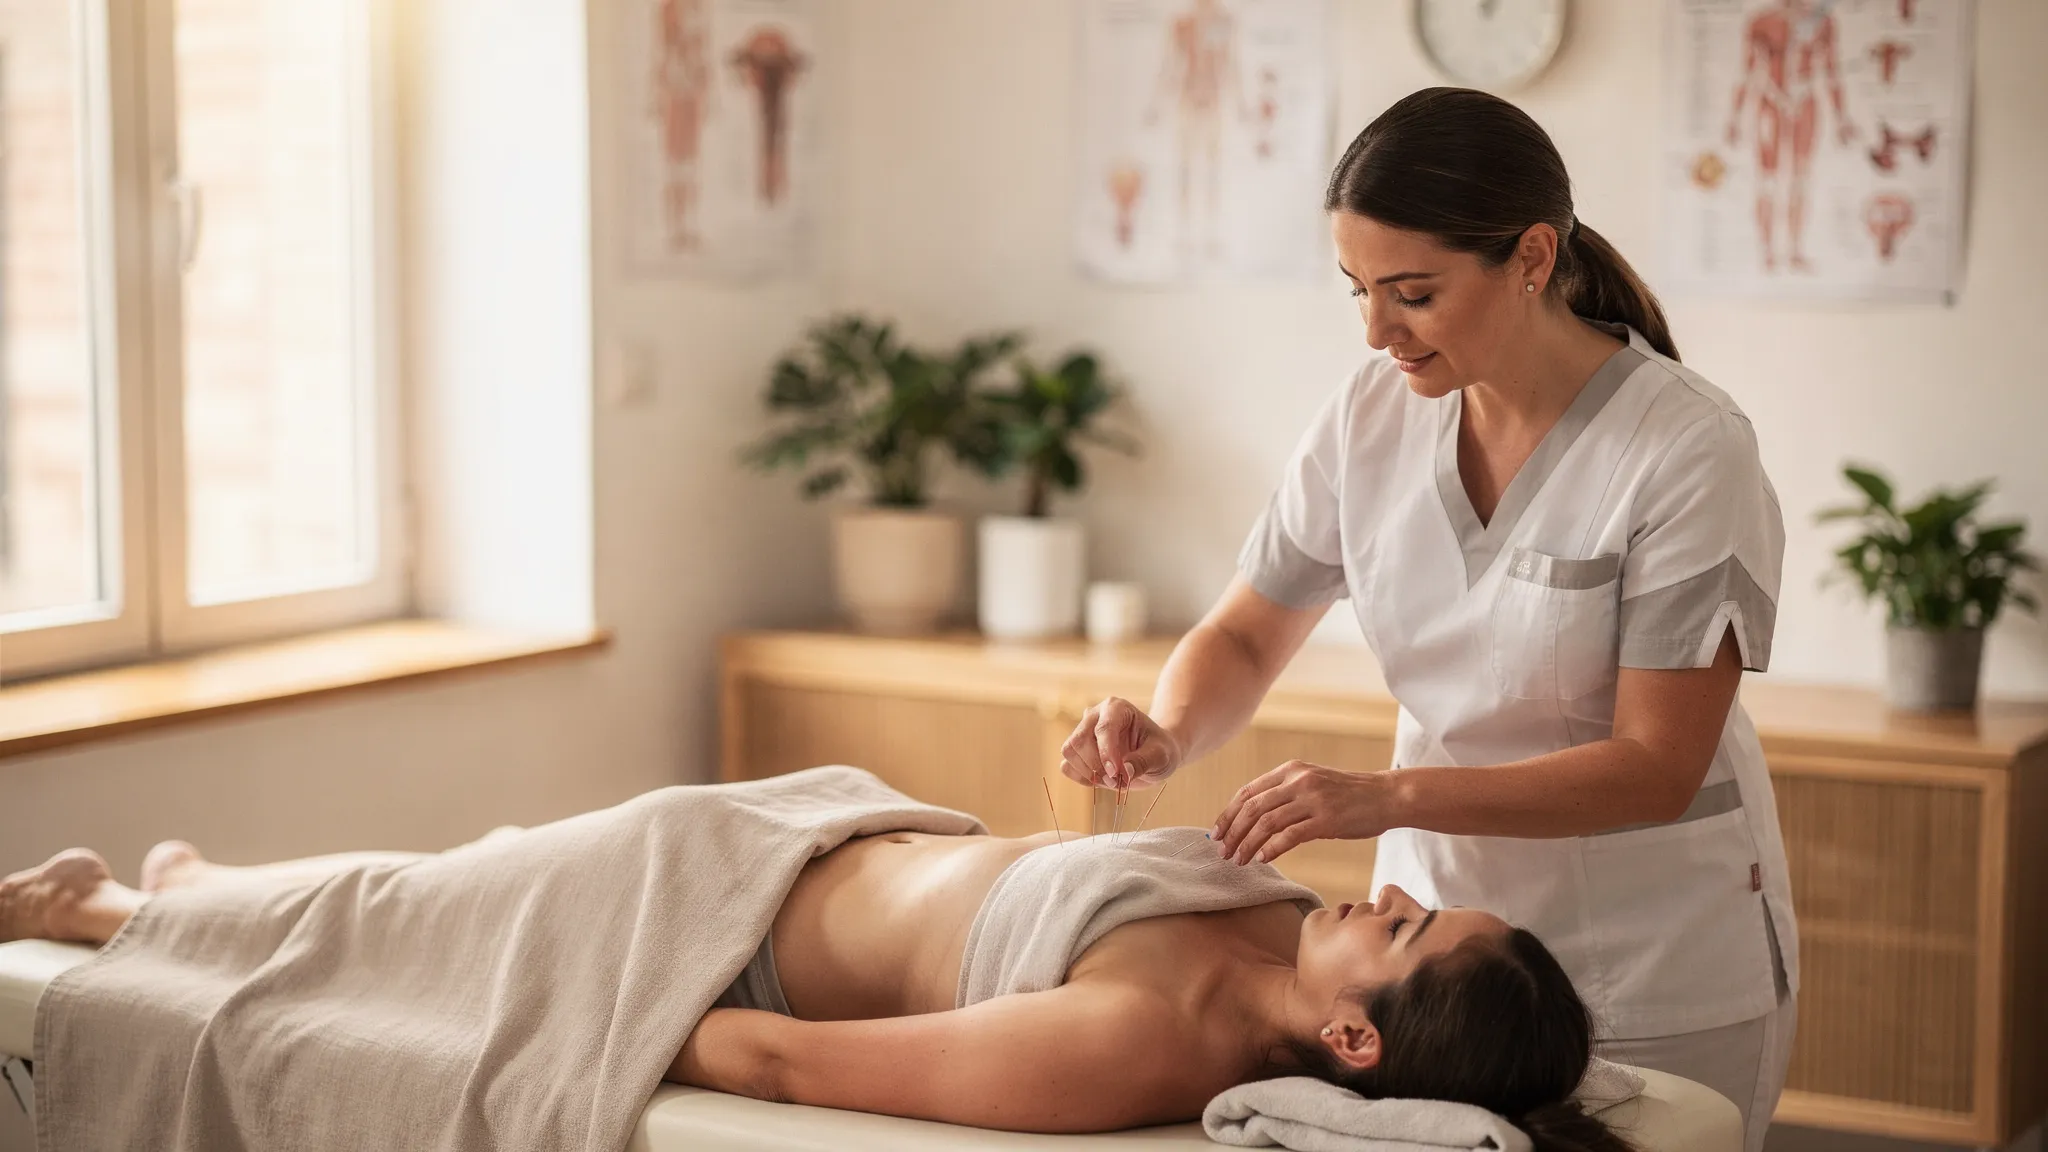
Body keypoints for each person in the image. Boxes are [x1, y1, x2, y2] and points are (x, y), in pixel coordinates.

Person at [1061, 87, 1796, 1152]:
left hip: (1650, 953)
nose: (1376, 331)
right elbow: (1245, 634)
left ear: (1532, 257)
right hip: (1432, 981)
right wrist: (1169, 732)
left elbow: (1655, 765)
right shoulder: (1369, 417)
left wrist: (1385, 796)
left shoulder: (1684, 449)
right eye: (1357, 290)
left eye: (1411, 293)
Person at [5, 823, 1631, 1150]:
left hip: (702, 921)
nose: (1392, 891)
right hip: (784, 830)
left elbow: (778, 1064)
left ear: (1352, 1038)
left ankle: (121, 914)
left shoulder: (1136, 1042)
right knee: (422, 893)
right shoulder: (1275, 914)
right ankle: (204, 897)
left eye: (1407, 930)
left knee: (411, 932)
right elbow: (1042, 890)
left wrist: (600, 1005)